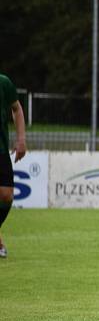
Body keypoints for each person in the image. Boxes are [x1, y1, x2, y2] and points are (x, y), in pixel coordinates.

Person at [0, 73, 27, 259]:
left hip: (1, 149)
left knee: (6, 195)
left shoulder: (4, 82)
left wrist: (21, 139)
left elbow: (16, 109)